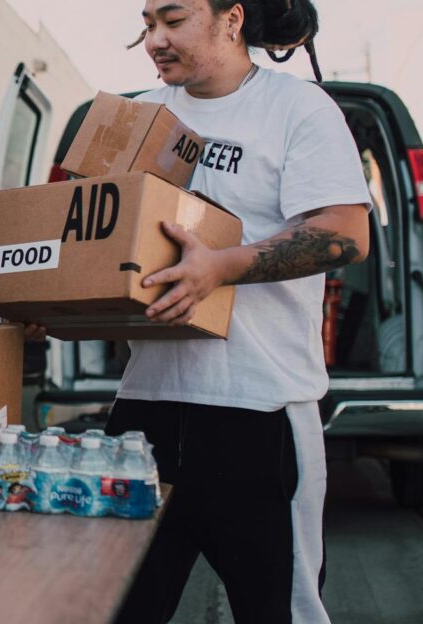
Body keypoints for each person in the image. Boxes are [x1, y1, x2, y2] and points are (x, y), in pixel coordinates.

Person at [103, 1, 371, 622]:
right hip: (147, 411)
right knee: (116, 607)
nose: (155, 40)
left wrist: (224, 265)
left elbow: (345, 234)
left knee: (281, 611)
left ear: (232, 18)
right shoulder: (141, 115)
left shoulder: (297, 109)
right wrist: (52, 300)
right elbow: (93, 234)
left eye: (173, 20)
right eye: (147, 25)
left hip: (260, 413)